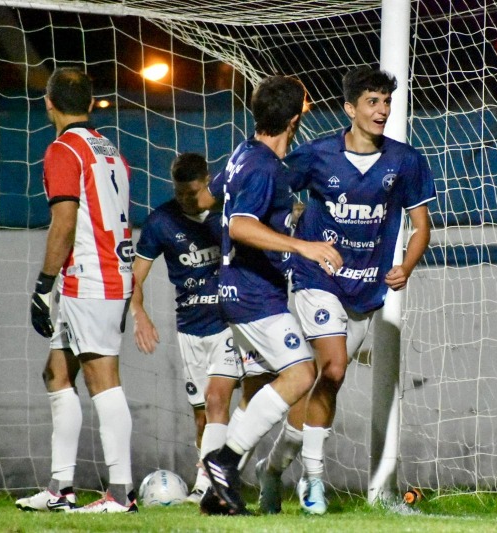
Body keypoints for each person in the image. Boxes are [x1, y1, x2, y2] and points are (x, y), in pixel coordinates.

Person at [255, 66, 436, 515]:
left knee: (326, 383)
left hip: (366, 286)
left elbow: (421, 226)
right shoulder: (316, 156)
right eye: (372, 102)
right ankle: (313, 482)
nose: (382, 110)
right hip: (317, 278)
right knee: (332, 368)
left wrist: (406, 267)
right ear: (350, 108)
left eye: (386, 102)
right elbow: (272, 193)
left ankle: (273, 468)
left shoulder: (404, 161)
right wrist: (294, 221)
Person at [198, 75, 342, 516]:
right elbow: (240, 223)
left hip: (240, 287)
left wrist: (282, 217)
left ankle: (217, 493)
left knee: (262, 387)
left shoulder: (245, 154)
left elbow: (209, 196)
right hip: (253, 292)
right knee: (301, 375)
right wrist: (302, 245)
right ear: (297, 116)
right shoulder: (262, 167)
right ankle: (223, 462)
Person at [16, 67, 137, 513]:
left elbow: (64, 223)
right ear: (89, 103)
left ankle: (121, 493)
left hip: (90, 276)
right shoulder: (111, 150)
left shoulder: (63, 149)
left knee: (102, 380)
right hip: (101, 273)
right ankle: (60, 489)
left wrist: (42, 284)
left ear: (48, 104)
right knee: (56, 374)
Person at [131, 152, 270, 503]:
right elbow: (134, 277)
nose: (187, 200)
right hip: (189, 329)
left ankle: (207, 486)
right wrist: (139, 313)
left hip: (227, 322)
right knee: (200, 415)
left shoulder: (229, 212)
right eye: (180, 194)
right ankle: (215, 476)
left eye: (193, 193)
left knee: (216, 400)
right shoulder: (161, 221)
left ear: (208, 181)